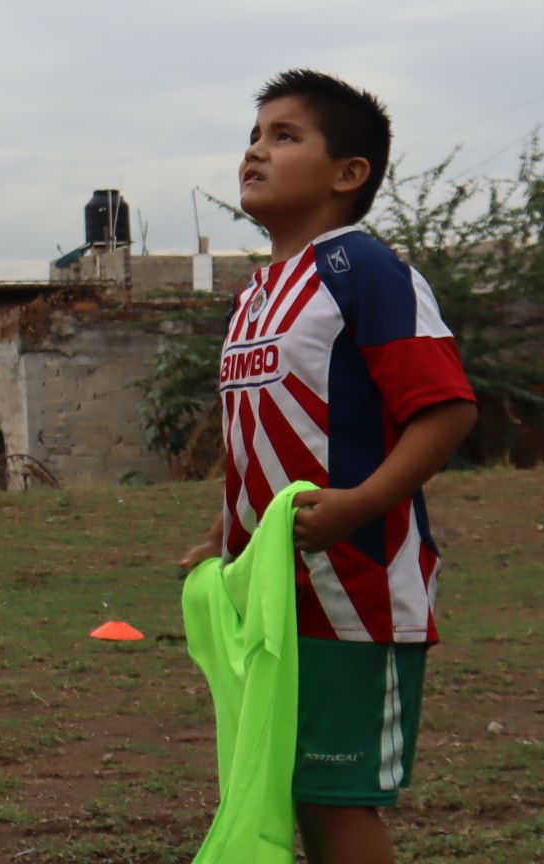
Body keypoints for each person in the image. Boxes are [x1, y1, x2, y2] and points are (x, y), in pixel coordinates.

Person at [179, 70, 478, 864]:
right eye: (253, 136)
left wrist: (361, 504)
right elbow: (261, 431)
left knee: (334, 803)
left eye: (285, 136)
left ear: (350, 174)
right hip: (275, 597)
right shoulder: (255, 296)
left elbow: (446, 407)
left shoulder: (362, 272)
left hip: (358, 590)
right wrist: (225, 528)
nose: (255, 152)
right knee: (286, 793)